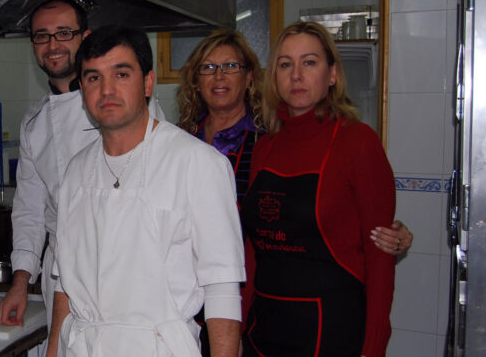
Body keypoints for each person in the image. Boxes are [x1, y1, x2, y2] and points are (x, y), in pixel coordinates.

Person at [32, 26, 245, 357]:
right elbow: (65, 284)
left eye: (121, 74)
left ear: (148, 82)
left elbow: (223, 285)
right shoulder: (75, 174)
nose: (106, 90)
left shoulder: (197, 164)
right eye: (92, 78)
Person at [214, 22, 397, 357]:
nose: (297, 76)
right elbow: (253, 249)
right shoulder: (267, 143)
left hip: (328, 339)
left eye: (310, 63)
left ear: (332, 75)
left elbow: (380, 255)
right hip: (264, 330)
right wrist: (238, 323)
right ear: (273, 76)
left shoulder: (358, 142)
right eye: (286, 64)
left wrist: (373, 348)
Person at [0, 0, 165, 357]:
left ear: (84, 37)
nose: (53, 45)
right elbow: (30, 210)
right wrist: (20, 281)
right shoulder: (35, 123)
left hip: (123, 279)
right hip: (62, 280)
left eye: (64, 33)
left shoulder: (125, 108)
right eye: (42, 36)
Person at [176, 27, 413, 253]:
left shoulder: (270, 139)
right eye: (207, 67)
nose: (219, 76)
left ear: (249, 77)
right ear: (196, 80)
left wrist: (393, 235)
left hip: (247, 278)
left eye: (230, 66)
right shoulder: (179, 141)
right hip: (185, 276)